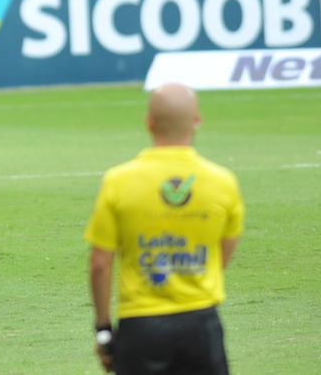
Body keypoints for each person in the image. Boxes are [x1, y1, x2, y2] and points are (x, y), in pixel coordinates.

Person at [84, 83, 245, 375]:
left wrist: (103, 329)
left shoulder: (118, 181)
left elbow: (100, 263)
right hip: (201, 324)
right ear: (197, 121)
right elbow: (222, 255)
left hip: (141, 326)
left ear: (149, 122)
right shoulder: (223, 182)